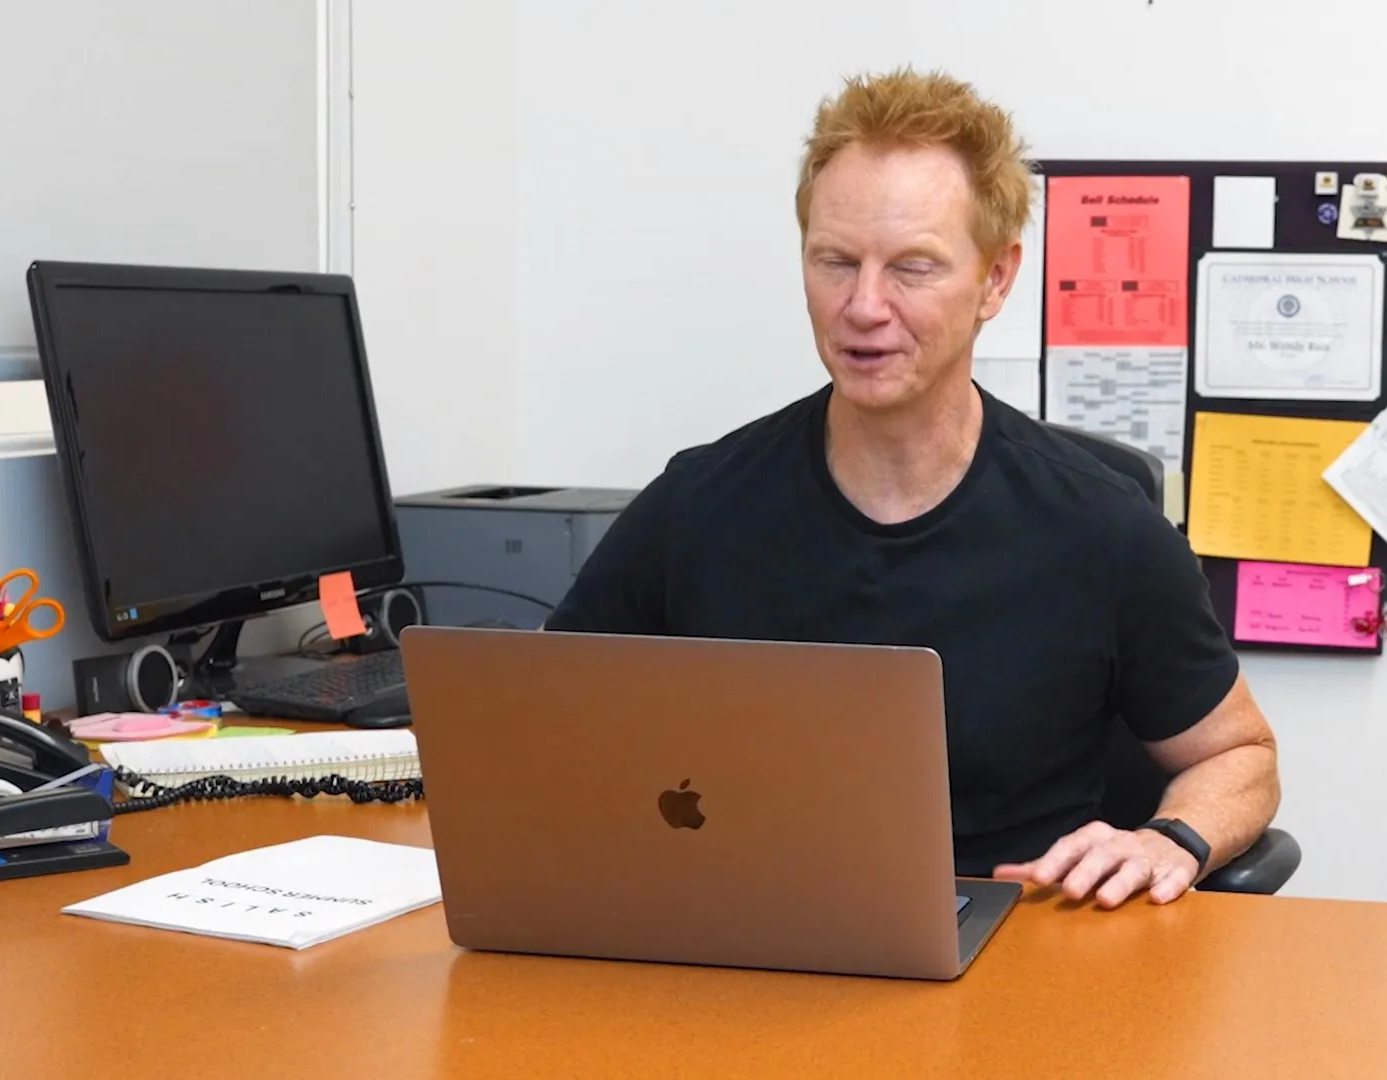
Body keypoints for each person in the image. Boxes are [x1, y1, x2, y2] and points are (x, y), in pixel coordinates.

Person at [545, 68, 1280, 909]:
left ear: (996, 280)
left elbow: (1240, 755)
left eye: (913, 268)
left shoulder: (1103, 527)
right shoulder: (697, 505)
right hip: (748, 930)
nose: (864, 306)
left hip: (1017, 943)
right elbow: (546, 720)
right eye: (835, 262)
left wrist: (1169, 838)